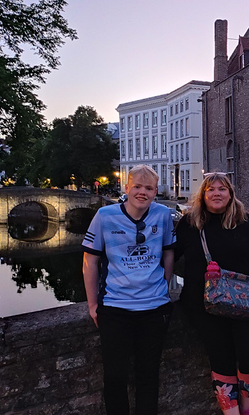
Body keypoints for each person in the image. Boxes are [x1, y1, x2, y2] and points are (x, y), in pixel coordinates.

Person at [174, 172, 249, 415]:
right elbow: (170, 257)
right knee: (221, 358)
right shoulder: (189, 224)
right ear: (203, 195)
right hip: (204, 305)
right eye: (211, 189)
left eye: (222, 189)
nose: (216, 193)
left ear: (230, 194)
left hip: (246, 302)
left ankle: (248, 409)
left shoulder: (246, 222)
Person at [82, 165, 175, 415]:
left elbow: (168, 254)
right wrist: (93, 304)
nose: (142, 192)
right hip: (115, 308)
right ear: (127, 188)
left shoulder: (163, 215)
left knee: (149, 374)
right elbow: (89, 262)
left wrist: (161, 288)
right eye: (137, 186)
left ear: (156, 191)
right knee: (114, 376)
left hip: (154, 309)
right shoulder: (104, 215)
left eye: (148, 188)